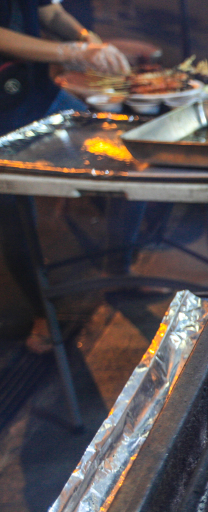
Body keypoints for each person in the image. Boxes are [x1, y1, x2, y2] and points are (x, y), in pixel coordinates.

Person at [0, 0, 128, 352]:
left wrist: (88, 39)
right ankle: (43, 312)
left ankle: (121, 271)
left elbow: (48, 11)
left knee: (119, 160)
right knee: (13, 211)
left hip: (40, 92)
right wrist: (70, 51)